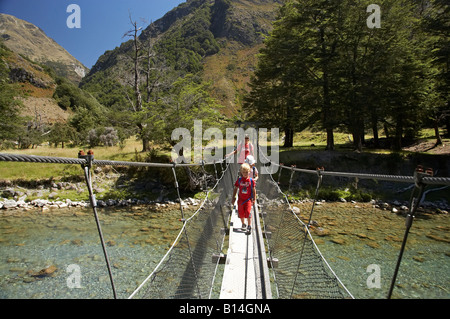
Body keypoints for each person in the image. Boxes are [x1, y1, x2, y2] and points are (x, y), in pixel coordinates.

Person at [231, 163, 256, 233]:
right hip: (240, 200)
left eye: (246, 172)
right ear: (241, 173)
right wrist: (233, 197)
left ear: (249, 172)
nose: (245, 174)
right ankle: (243, 224)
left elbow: (254, 190)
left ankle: (249, 226)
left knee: (248, 212)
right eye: (243, 172)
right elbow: (235, 188)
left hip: (248, 200)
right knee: (241, 213)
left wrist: (254, 199)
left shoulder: (251, 181)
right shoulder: (239, 180)